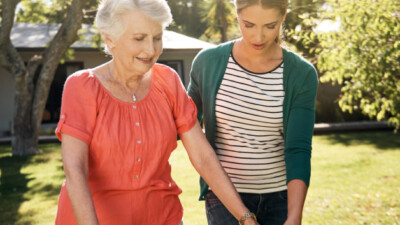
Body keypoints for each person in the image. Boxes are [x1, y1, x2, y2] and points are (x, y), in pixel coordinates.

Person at [54, 0, 259, 225]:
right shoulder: (83, 87)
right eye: (139, 39)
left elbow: (203, 157)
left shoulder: (168, 81)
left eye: (157, 38)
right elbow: (76, 171)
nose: (151, 50)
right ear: (109, 39)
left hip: (163, 217)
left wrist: (245, 216)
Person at [188, 0, 319, 224]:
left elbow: (298, 149)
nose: (259, 37)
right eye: (248, 25)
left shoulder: (301, 74)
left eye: (270, 26)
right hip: (224, 199)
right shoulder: (207, 63)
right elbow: (183, 125)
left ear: (284, 16)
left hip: (280, 199)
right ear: (236, 14)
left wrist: (295, 215)